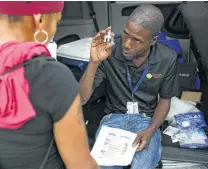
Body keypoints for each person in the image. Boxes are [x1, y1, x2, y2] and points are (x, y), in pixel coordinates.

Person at [0, 1, 98, 169]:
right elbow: (80, 165)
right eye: (56, 22)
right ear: (39, 18)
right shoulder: (51, 76)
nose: (54, 30)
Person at [80, 4, 179, 169]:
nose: (126, 44)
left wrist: (152, 129)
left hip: (146, 121)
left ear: (153, 40)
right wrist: (93, 63)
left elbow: (165, 99)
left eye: (137, 40)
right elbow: (82, 98)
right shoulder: (108, 51)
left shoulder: (167, 58)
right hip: (113, 120)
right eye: (126, 34)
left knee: (143, 166)